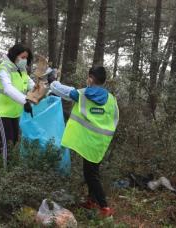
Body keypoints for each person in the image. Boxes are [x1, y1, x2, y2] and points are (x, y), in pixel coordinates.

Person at [50, 66, 119, 217]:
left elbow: (64, 91)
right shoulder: (112, 100)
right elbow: (114, 120)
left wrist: (53, 82)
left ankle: (105, 208)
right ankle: (91, 201)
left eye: (89, 77)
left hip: (87, 141)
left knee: (91, 175)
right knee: (92, 172)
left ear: (91, 78)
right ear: (104, 80)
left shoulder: (82, 94)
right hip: (100, 143)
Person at [0, 43, 37, 169]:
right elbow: (8, 89)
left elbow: (30, 84)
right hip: (1, 112)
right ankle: (8, 171)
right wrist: (25, 101)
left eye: (26, 58)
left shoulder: (21, 70)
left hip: (14, 111)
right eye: (22, 57)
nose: (25, 60)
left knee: (13, 141)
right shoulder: (4, 69)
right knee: (8, 142)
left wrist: (43, 89)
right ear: (14, 55)